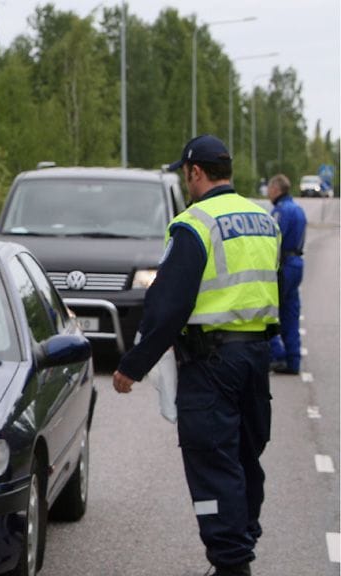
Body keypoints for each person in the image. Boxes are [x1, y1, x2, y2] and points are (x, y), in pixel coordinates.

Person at [111, 134, 279, 576]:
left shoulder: (194, 224)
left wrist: (132, 366)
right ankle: (242, 545)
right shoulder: (263, 218)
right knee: (245, 457)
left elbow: (167, 306)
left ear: (195, 172)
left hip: (210, 365)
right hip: (256, 358)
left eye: (185, 173)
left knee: (210, 461)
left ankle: (231, 565)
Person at [265, 174, 306, 375]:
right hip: (297, 262)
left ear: (277, 189)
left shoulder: (280, 211)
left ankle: (277, 354)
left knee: (270, 309)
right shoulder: (298, 209)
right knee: (291, 311)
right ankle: (293, 359)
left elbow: (274, 238)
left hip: (285, 264)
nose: (268, 192)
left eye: (270, 189)